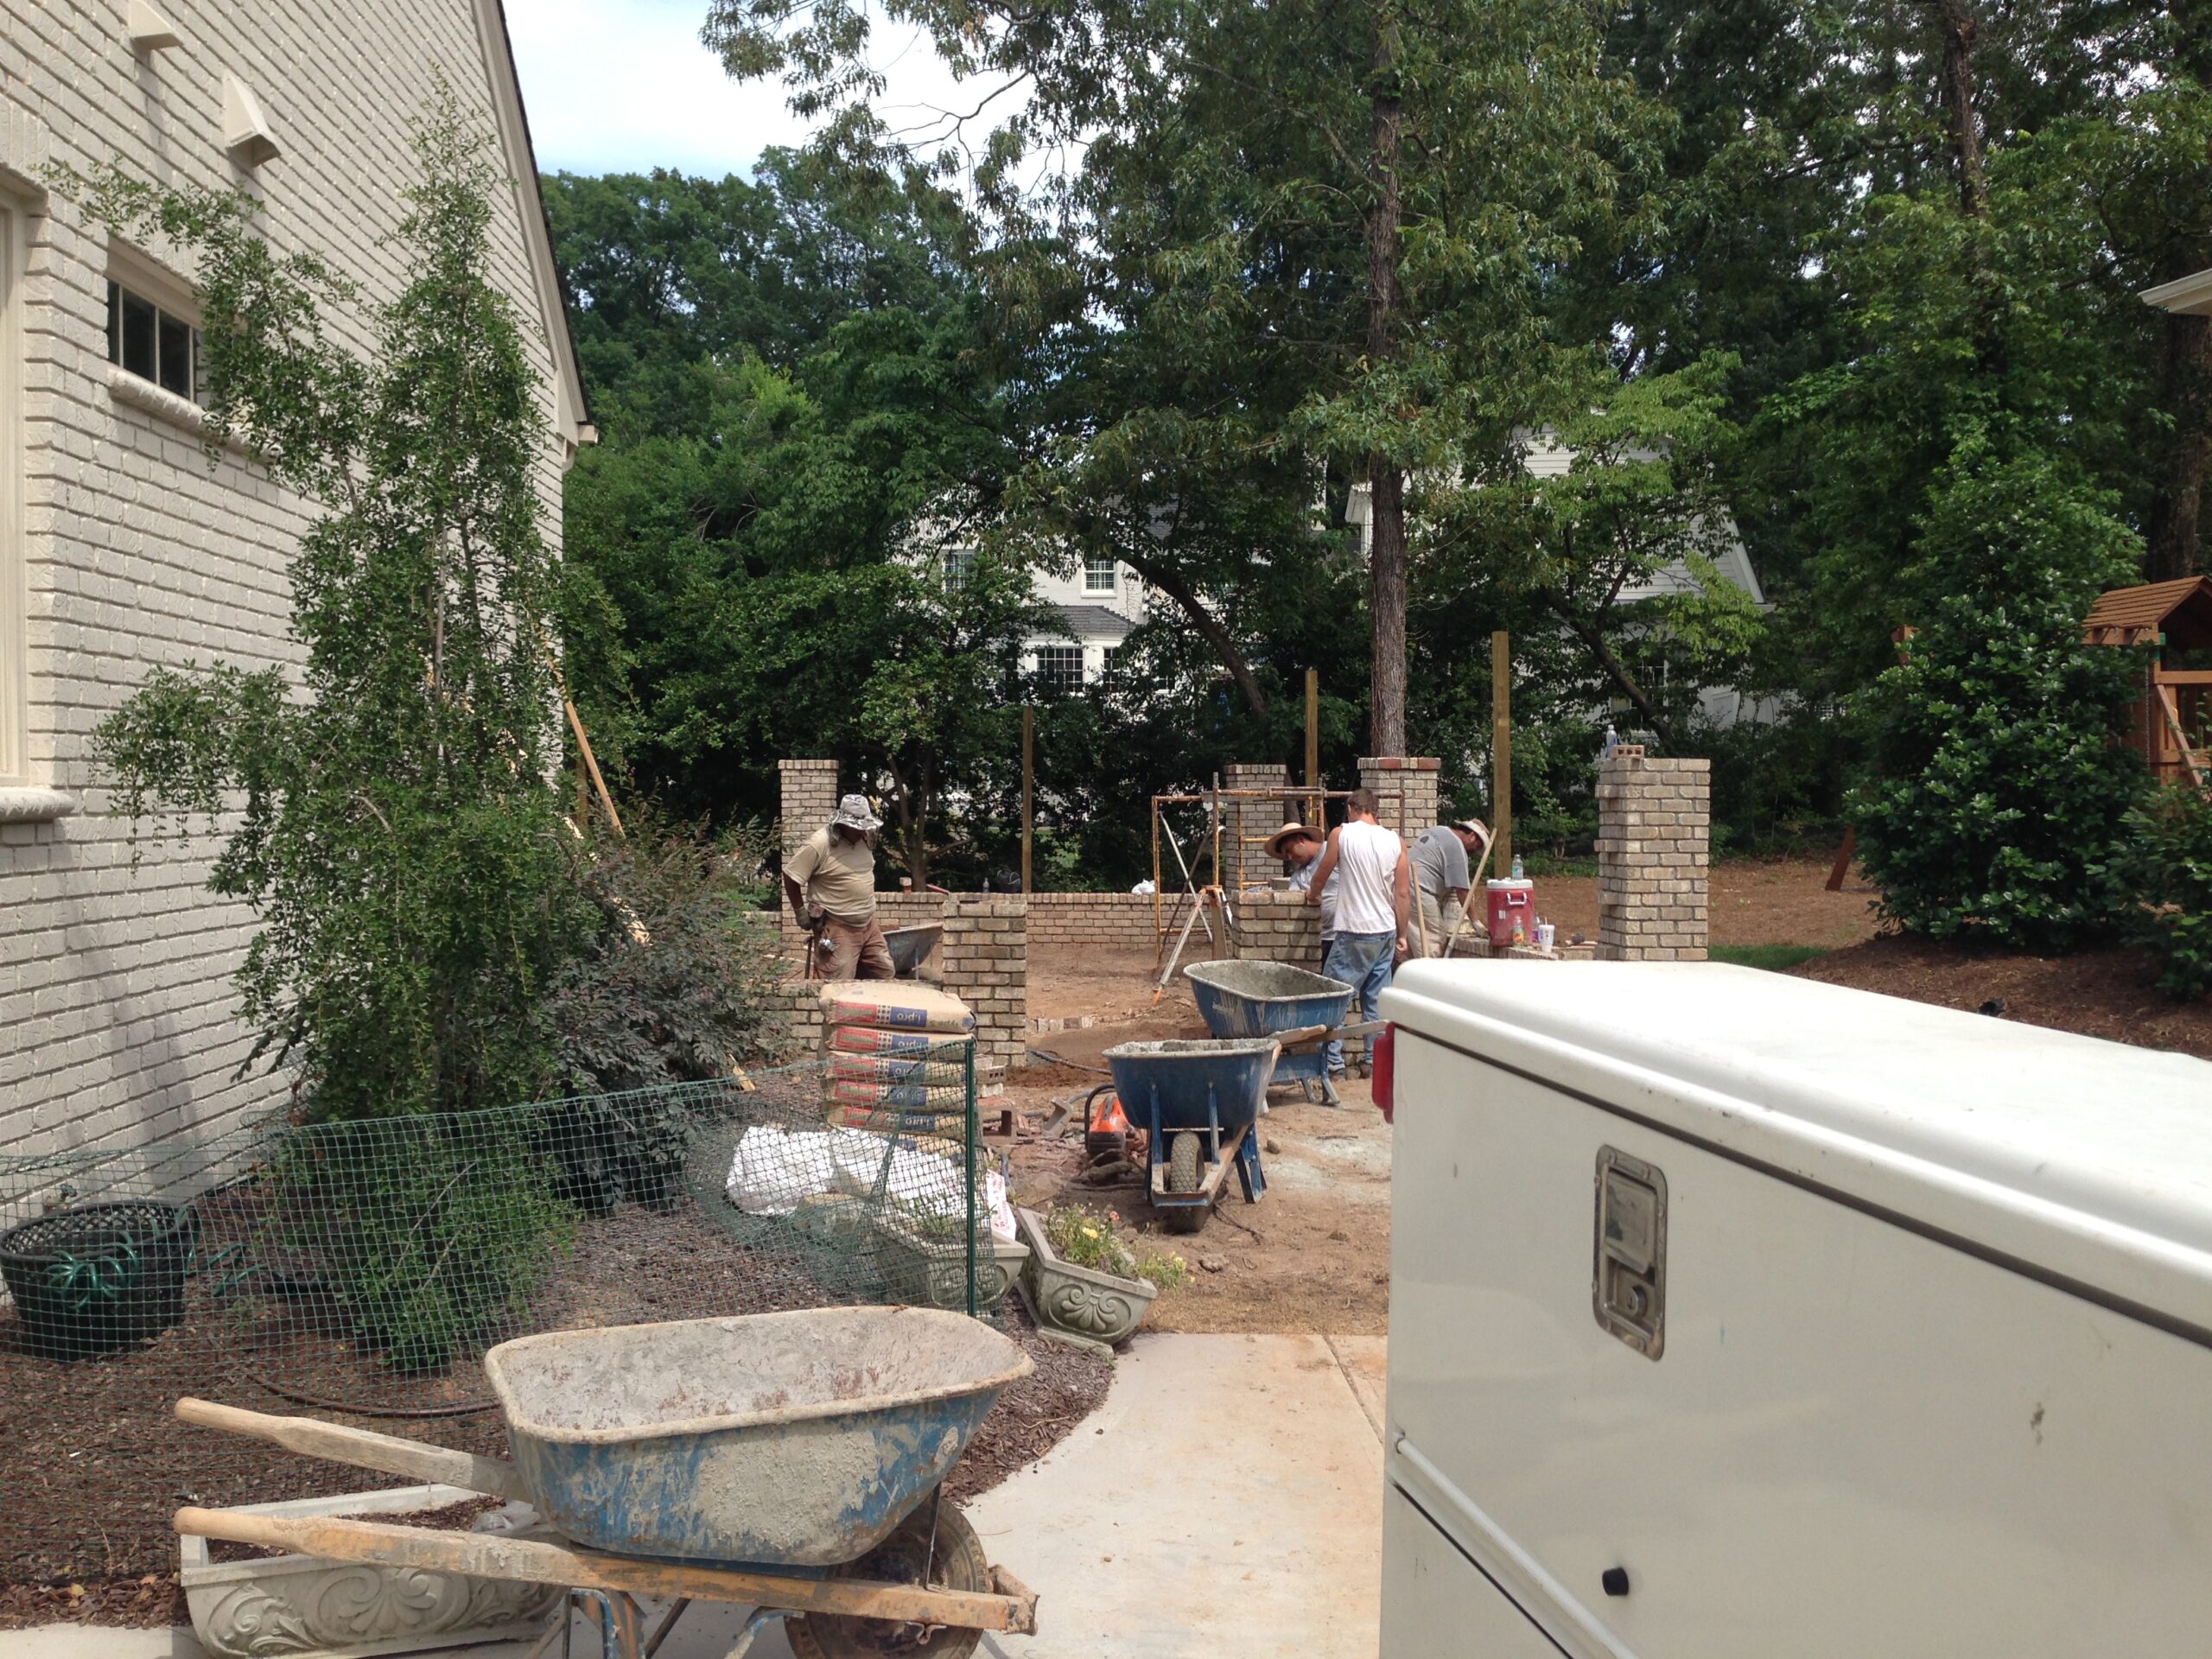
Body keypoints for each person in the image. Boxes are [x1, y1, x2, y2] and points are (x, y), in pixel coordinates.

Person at [1302, 791, 1410, 1079]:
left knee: (1335, 997)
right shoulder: (1396, 842)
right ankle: (1373, 1062)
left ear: (1351, 808)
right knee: (1375, 1002)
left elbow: (1322, 875)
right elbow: (1402, 893)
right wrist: (1403, 935)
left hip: (1354, 930)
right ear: (1375, 810)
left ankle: (1333, 1065)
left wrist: (1312, 895)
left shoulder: (1342, 834)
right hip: (1385, 931)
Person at [783, 793, 895, 980]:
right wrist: (800, 912)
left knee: (883, 973)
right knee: (837, 984)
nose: (862, 832)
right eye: (857, 828)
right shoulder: (820, 844)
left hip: (868, 924)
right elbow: (790, 876)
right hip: (837, 927)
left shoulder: (865, 839)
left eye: (864, 827)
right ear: (842, 824)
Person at [1409, 818, 1491, 957]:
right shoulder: (1457, 847)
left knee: (1414, 940)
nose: (1473, 851)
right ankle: (1429, 970)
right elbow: (1462, 892)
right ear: (1472, 836)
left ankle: (1406, 968)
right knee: (1434, 940)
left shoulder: (1438, 830)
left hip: (1403, 885)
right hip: (1419, 890)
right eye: (1476, 847)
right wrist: (1476, 923)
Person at [1265, 822, 1333, 970]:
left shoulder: (1332, 851)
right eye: (1286, 854)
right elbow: (1291, 900)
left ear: (1301, 840)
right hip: (1321, 938)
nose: (1290, 857)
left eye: (1289, 850)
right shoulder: (1299, 876)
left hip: (1346, 934)